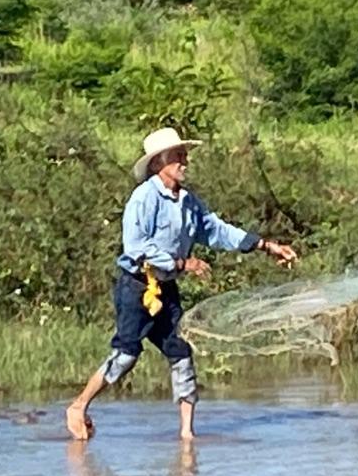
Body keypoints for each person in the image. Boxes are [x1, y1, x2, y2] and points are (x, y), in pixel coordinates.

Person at [66, 127, 297, 440]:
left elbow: (217, 230)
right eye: (178, 156)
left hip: (166, 290)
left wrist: (266, 246)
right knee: (126, 355)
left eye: (184, 155)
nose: (184, 161)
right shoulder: (144, 198)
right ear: (158, 163)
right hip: (137, 288)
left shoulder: (189, 202)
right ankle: (79, 406)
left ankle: (187, 435)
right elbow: (136, 247)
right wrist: (180, 263)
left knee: (181, 352)